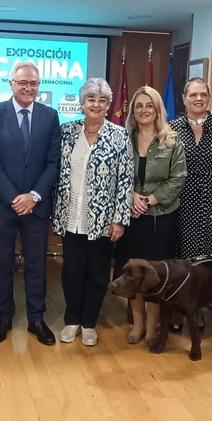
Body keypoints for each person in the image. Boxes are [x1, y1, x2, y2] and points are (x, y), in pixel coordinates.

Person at [0, 61, 60, 345]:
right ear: (11, 83)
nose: (28, 88)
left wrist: (34, 196)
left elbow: (53, 162)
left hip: (37, 206)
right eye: (23, 82)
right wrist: (15, 198)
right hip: (3, 206)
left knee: (37, 264)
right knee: (2, 263)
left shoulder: (50, 116)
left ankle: (36, 318)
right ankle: (4, 317)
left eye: (33, 83)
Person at [51, 78, 131, 347]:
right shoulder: (66, 132)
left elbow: (125, 181)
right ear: (82, 102)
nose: (96, 104)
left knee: (97, 272)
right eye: (91, 99)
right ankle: (72, 319)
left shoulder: (119, 136)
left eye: (102, 100)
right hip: (70, 216)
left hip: (103, 220)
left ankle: (88, 323)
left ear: (108, 105)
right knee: (71, 271)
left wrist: (119, 219)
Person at [116, 86, 186, 347]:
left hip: (162, 217)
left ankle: (153, 325)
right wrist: (131, 196)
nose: (144, 110)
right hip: (132, 216)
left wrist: (149, 199)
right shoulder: (124, 139)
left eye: (149, 105)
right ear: (132, 111)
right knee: (134, 272)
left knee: (155, 274)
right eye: (139, 106)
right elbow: (117, 174)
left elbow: (178, 178)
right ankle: (137, 325)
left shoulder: (172, 140)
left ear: (157, 110)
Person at [170, 77, 212, 333]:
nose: (199, 99)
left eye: (203, 94)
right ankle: (179, 311)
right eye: (193, 94)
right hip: (181, 203)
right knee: (182, 261)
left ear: (209, 98)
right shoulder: (171, 128)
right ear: (184, 99)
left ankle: (201, 311)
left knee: (209, 264)